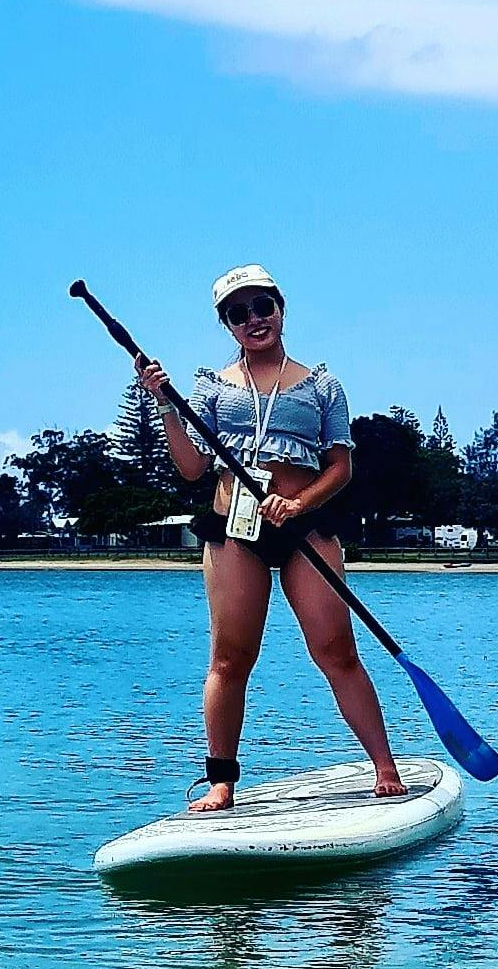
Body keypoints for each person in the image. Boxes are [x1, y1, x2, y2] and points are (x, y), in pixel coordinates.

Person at [134, 265, 403, 813]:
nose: (254, 319)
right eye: (239, 313)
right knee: (230, 658)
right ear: (227, 324)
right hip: (234, 531)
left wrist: (299, 503)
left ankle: (384, 766)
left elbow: (341, 467)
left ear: (281, 308)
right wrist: (164, 404)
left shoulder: (321, 384)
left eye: (263, 307)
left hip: (305, 527)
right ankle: (221, 781)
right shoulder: (211, 387)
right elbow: (191, 468)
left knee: (336, 651)